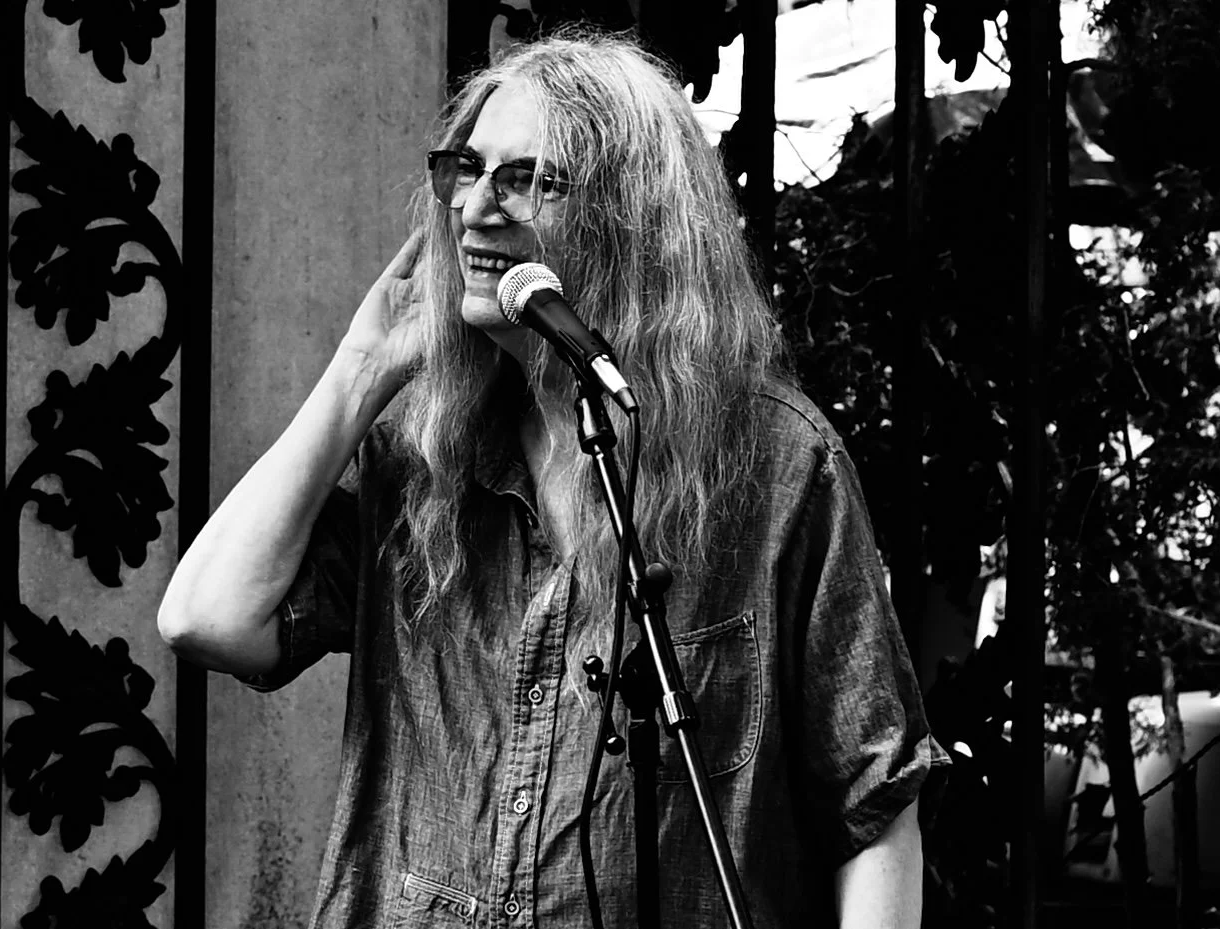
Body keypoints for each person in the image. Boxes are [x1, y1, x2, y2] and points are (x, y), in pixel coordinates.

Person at [159, 31, 948, 929]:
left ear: (632, 219)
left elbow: (873, 806)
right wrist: (358, 369)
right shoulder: (424, 460)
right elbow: (207, 617)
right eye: (467, 168)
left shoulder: (774, 467)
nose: (474, 208)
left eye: (529, 179)